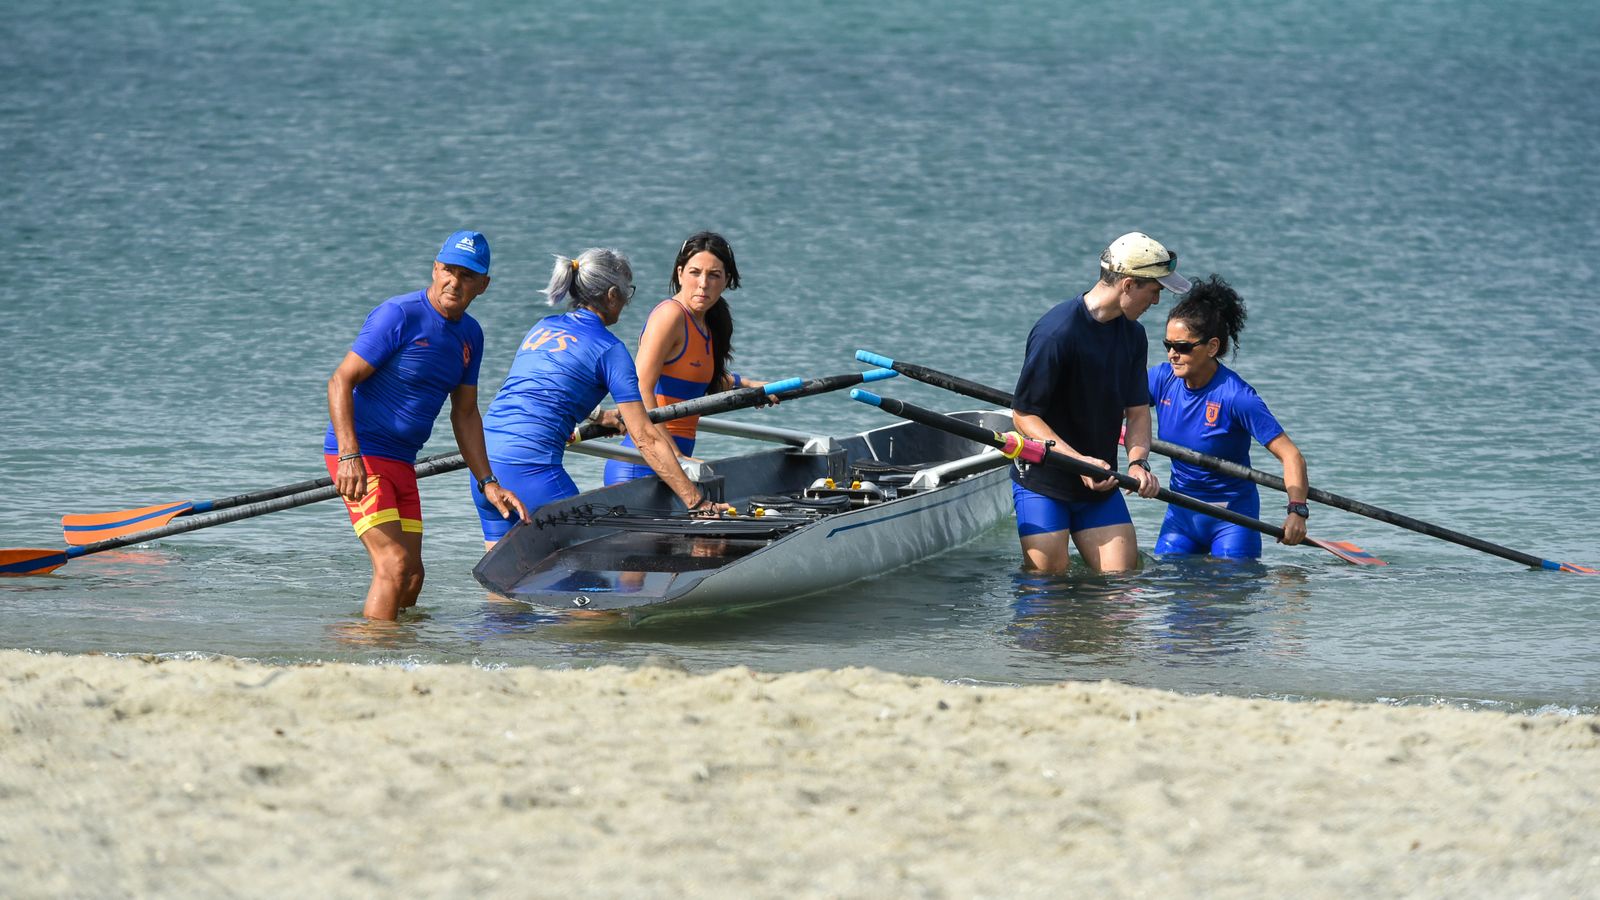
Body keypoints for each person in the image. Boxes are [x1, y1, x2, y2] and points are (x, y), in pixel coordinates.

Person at [326, 230, 528, 621]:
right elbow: (340, 381)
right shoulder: (399, 315)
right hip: (362, 455)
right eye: (448, 270)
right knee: (393, 566)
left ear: (483, 285)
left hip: (402, 462)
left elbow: (466, 412)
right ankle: (371, 660)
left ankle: (389, 647)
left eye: (467, 275)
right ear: (435, 269)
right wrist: (349, 455)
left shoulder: (471, 335)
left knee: (413, 577)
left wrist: (489, 482)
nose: (455, 281)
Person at [473, 248, 720, 550]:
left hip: (484, 468)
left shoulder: (541, 329)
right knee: (593, 578)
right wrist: (696, 502)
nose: (627, 302)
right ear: (613, 294)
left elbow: (537, 392)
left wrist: (597, 415)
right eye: (628, 292)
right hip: (534, 474)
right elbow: (645, 437)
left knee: (504, 584)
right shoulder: (609, 349)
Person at [1010, 232, 1191, 574]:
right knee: (1046, 589)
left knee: (1122, 589)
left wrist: (1138, 463)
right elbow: (1023, 415)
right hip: (1044, 482)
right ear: (1127, 285)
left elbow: (1137, 412)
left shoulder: (1133, 335)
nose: (1156, 302)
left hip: (1099, 485)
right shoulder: (1057, 332)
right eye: (1154, 291)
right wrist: (1079, 462)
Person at [1147, 274, 1309, 558]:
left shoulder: (1237, 397)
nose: (1173, 354)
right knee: (1168, 590)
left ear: (1211, 347)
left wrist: (1297, 511)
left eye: (1183, 347)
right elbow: (1109, 407)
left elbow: (1291, 456)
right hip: (1181, 515)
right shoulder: (1161, 380)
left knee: (1231, 598)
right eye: (1168, 345)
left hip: (1232, 519)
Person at [602, 231, 769, 485]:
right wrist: (674, 455)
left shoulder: (709, 323)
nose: (703, 283)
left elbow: (690, 378)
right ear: (680, 273)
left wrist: (748, 385)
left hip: (674, 464)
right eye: (695, 272)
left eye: (714, 275)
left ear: (727, 280)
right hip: (641, 466)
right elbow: (640, 387)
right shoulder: (670, 316)